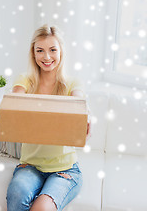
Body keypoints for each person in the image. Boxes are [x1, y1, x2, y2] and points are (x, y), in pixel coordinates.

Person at [6, 24, 91, 211]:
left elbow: (78, 105)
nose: (46, 57)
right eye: (40, 51)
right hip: (30, 166)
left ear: (61, 51)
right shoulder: (25, 81)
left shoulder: (72, 83)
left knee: (42, 208)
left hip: (65, 170)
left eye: (53, 50)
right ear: (33, 53)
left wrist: (85, 116)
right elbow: (15, 105)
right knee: (16, 195)